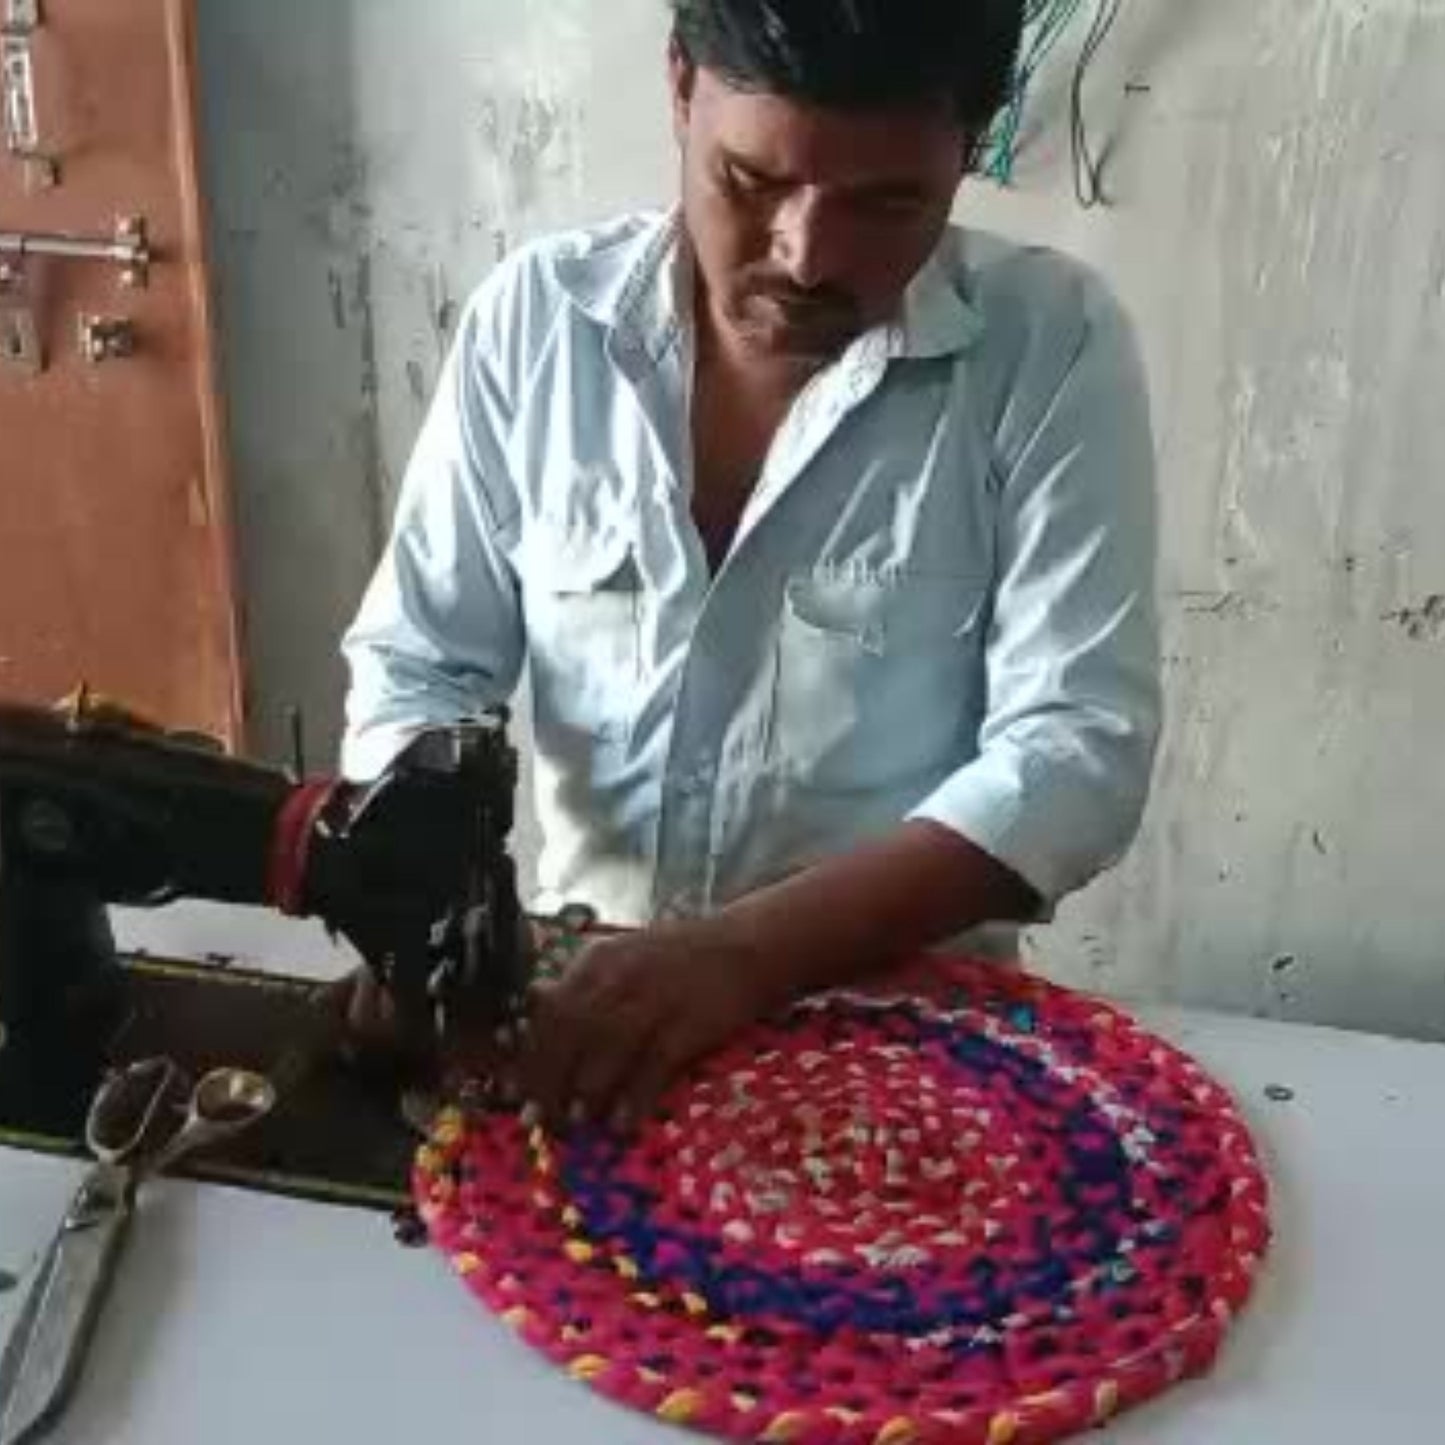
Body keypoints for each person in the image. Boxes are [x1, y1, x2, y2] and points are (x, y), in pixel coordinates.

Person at [340, 0, 1160, 1131]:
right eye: (751, 182)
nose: (806, 257)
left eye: (888, 204)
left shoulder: (1047, 346)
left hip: (913, 1055)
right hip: (580, 1020)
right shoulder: (534, 325)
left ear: (970, 149)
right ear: (680, 86)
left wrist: (740, 957)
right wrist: (423, 892)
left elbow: (1075, 751)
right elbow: (421, 662)